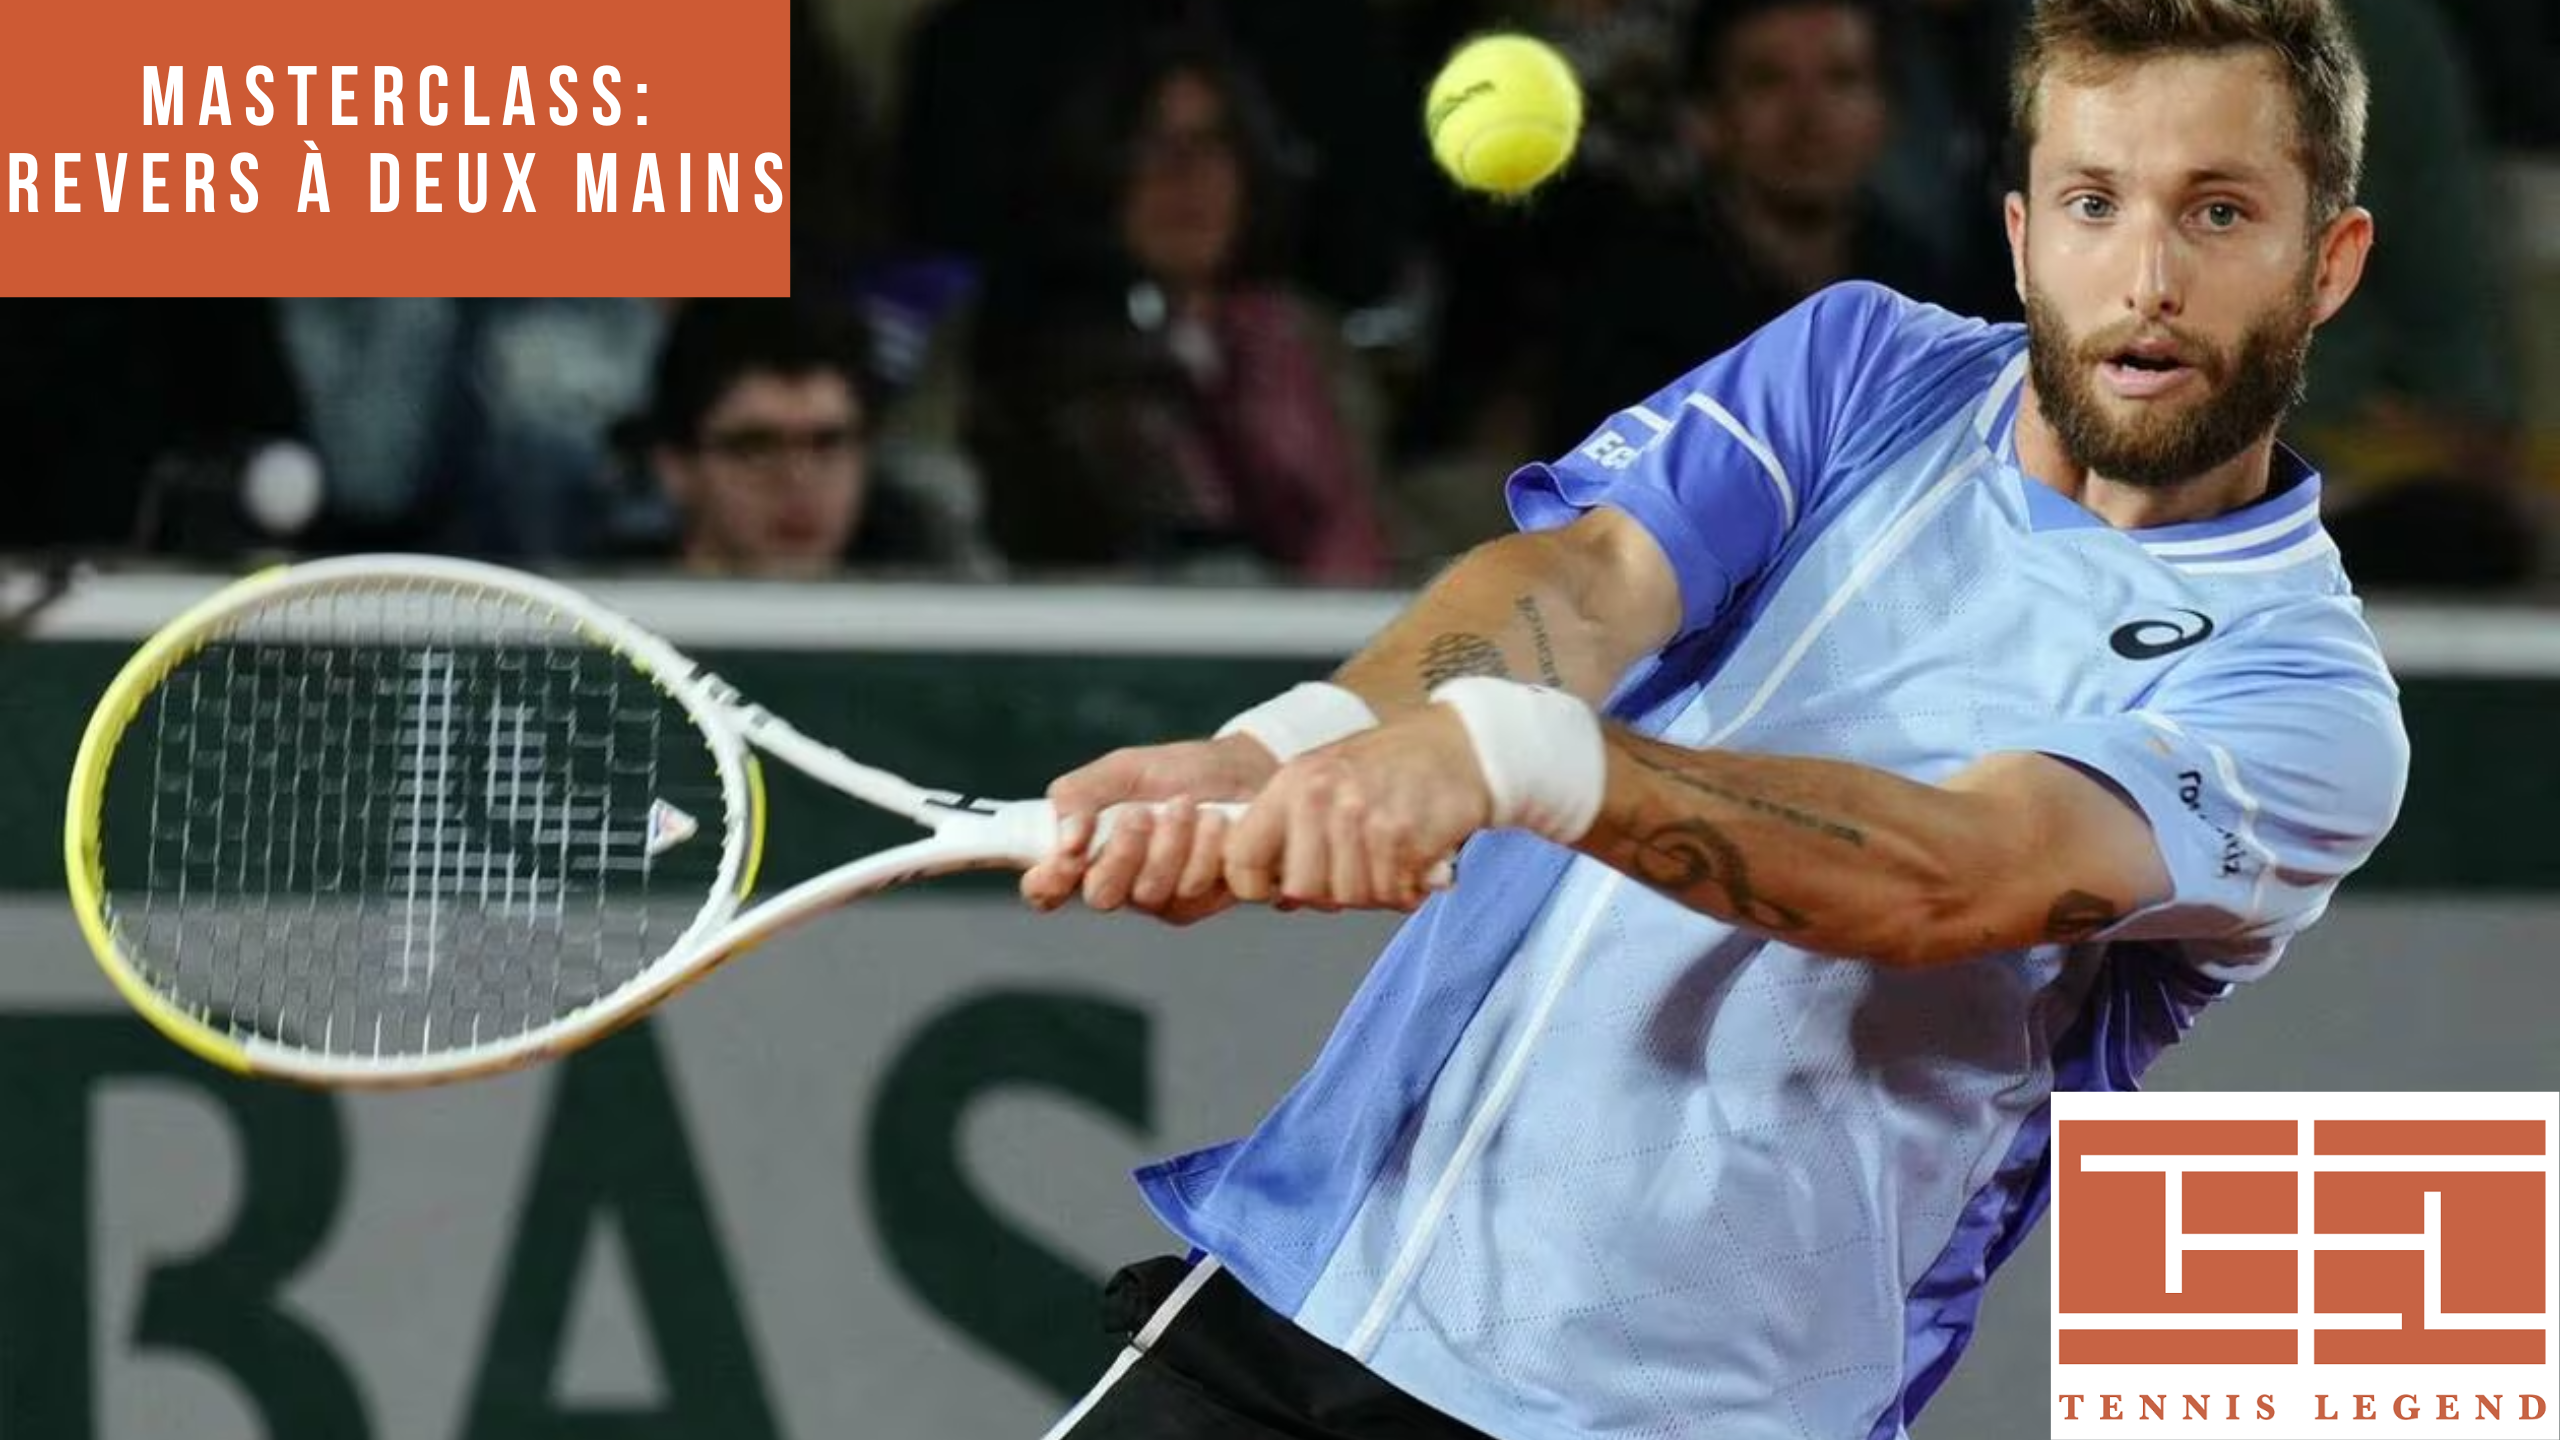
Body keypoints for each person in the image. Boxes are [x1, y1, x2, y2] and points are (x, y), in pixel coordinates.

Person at [1017, 1, 2411, 1436]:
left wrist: (1523, 757)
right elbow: (1591, 577)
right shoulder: (1864, 365)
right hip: (1320, 1295)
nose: (2147, 278)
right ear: (2020, 235)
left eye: (2219, 212)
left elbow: (1954, 876)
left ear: (2331, 261)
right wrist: (1284, 746)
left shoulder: (2303, 699)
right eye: (2093, 204)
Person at [960, 29, 1394, 584]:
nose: (1186, 174)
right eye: (1152, 144)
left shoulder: (1308, 342)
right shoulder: (1039, 365)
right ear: (1101, 172)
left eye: (1212, 143)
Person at [626, 299, 971, 577]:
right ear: (674, 467)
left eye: (828, 444)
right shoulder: (607, 616)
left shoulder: (934, 603)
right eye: (755, 446)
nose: (798, 479)